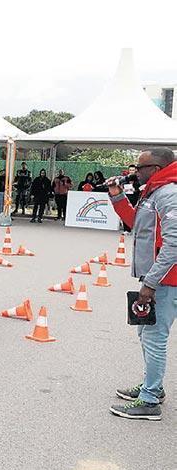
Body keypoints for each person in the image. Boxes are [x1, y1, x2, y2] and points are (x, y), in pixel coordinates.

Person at [107, 147, 176, 421]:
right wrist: (117, 196)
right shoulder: (155, 191)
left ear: (156, 169)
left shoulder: (169, 194)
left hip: (165, 280)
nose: (136, 172)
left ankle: (149, 401)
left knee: (154, 337)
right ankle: (153, 386)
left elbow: (174, 245)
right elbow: (136, 223)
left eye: (140, 167)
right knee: (145, 334)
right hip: (156, 278)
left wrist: (150, 282)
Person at [121, 165, 142, 233]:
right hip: (127, 198)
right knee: (125, 213)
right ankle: (126, 229)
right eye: (130, 170)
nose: (131, 171)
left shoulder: (139, 180)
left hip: (135, 199)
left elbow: (140, 189)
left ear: (135, 170)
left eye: (133, 170)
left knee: (135, 215)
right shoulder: (125, 179)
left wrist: (135, 190)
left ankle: (136, 229)